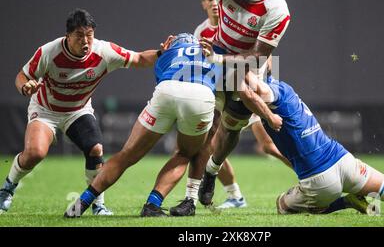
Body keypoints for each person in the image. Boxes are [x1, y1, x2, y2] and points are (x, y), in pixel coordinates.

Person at [64, 33, 283, 218]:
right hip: (200, 97)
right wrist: (268, 115)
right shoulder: (215, 51)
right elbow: (242, 86)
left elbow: (159, 77)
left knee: (127, 154)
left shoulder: (168, 52)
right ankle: (152, 204)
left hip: (166, 90)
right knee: (185, 153)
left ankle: (80, 205)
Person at [0, 8, 168, 216]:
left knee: (96, 149)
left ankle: (99, 205)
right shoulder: (49, 52)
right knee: (35, 153)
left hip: (78, 111)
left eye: (89, 35)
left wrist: (161, 53)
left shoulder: (104, 51)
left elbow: (140, 59)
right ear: (68, 36)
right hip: (46, 110)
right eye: (79, 36)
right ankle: (8, 188)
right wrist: (25, 87)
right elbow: (22, 76)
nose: (86, 41)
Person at [233, 70, 384, 215]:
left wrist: (223, 57)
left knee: (281, 205)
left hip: (319, 181)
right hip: (343, 160)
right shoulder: (285, 88)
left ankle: (346, 202)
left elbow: (245, 83)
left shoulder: (268, 92)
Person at [183, 0, 291, 210]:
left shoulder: (277, 9)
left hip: (250, 69)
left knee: (232, 129)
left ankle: (213, 169)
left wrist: (219, 60)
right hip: (217, 58)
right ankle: (189, 198)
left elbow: (257, 58)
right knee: (203, 129)